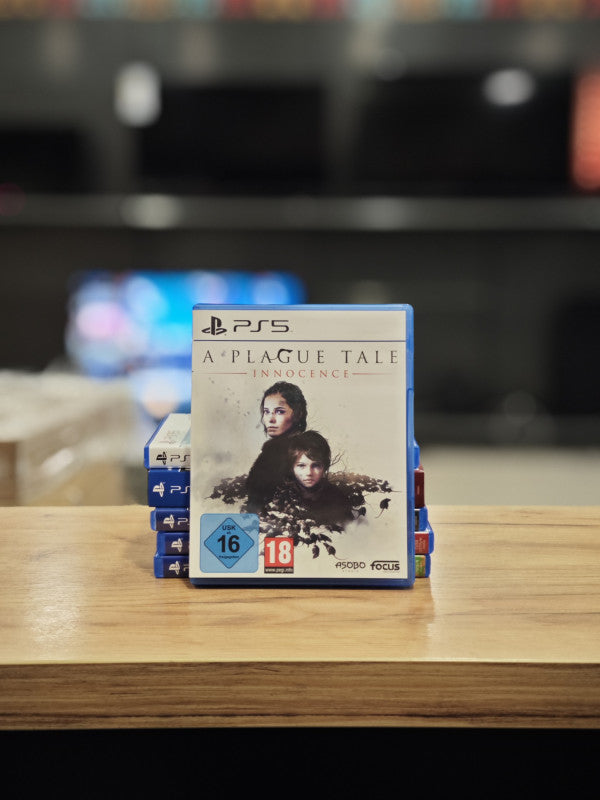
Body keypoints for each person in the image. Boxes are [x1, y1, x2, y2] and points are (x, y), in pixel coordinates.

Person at [245, 382, 307, 514]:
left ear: (298, 414)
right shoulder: (274, 450)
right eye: (266, 412)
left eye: (279, 411)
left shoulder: (294, 451)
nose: (270, 419)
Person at [273, 430, 353, 528]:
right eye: (301, 465)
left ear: (324, 466)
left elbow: (350, 531)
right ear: (291, 468)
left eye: (316, 465)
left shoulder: (338, 498)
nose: (309, 473)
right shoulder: (281, 496)